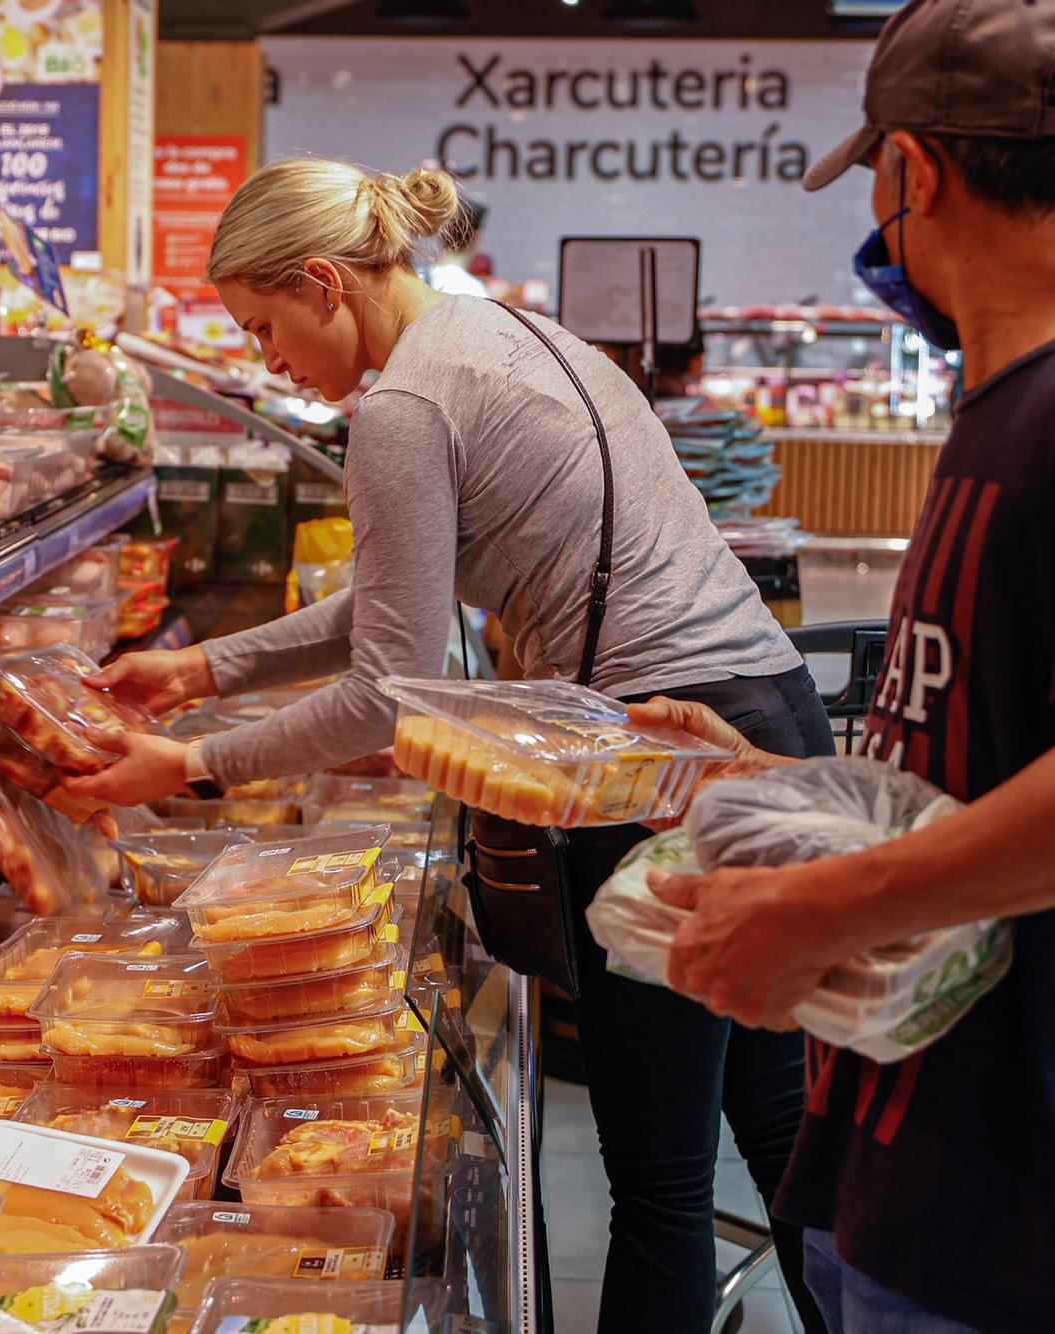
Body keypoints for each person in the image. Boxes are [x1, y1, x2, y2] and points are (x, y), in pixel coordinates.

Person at [68, 153, 833, 1333]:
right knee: (776, 1126)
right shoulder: (508, 335)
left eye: (265, 328)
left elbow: (388, 687)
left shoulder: (400, 404)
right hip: (760, 713)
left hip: (653, 758)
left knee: (662, 1178)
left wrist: (188, 763)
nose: (267, 361)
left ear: (325, 281)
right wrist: (203, 667)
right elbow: (400, 591)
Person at [636, 2, 1055, 1330]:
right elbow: (972, 759)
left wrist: (823, 908)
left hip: (1001, 1207)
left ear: (913, 172)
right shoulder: (997, 410)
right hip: (905, 1149)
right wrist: (764, 783)